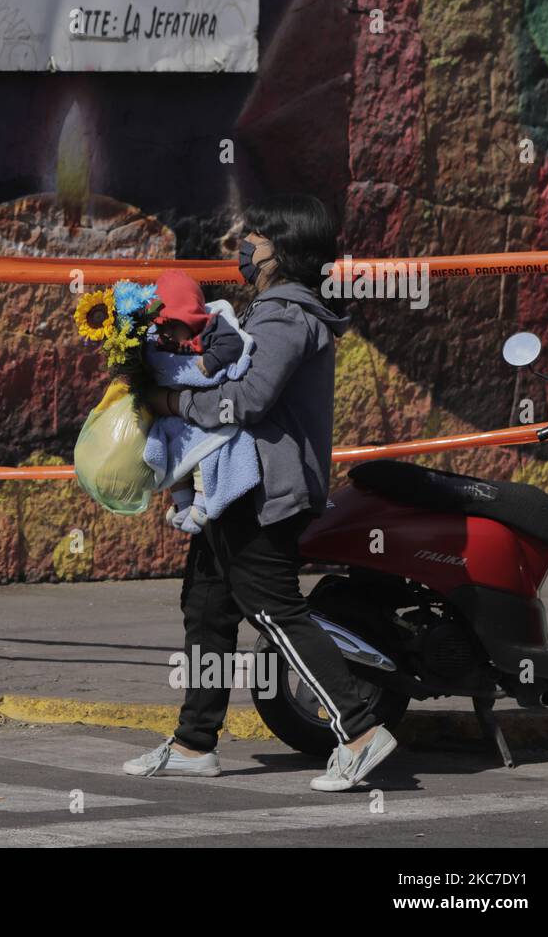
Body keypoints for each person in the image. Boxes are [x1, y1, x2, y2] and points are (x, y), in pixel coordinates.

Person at [123, 194, 397, 792]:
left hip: (263, 489)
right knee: (206, 608)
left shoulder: (285, 315)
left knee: (273, 609)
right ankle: (195, 743)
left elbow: (245, 401)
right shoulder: (276, 309)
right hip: (234, 490)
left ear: (284, 248)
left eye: (255, 238)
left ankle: (359, 729)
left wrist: (171, 402)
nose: (243, 248)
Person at [147, 270, 248, 532]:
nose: (165, 334)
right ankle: (182, 503)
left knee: (205, 453)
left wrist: (211, 361)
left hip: (202, 415)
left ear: (191, 318)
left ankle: (203, 505)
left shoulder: (212, 327)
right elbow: (156, 362)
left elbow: (233, 344)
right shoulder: (161, 340)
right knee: (169, 452)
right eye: (160, 327)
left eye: (171, 325)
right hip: (175, 412)